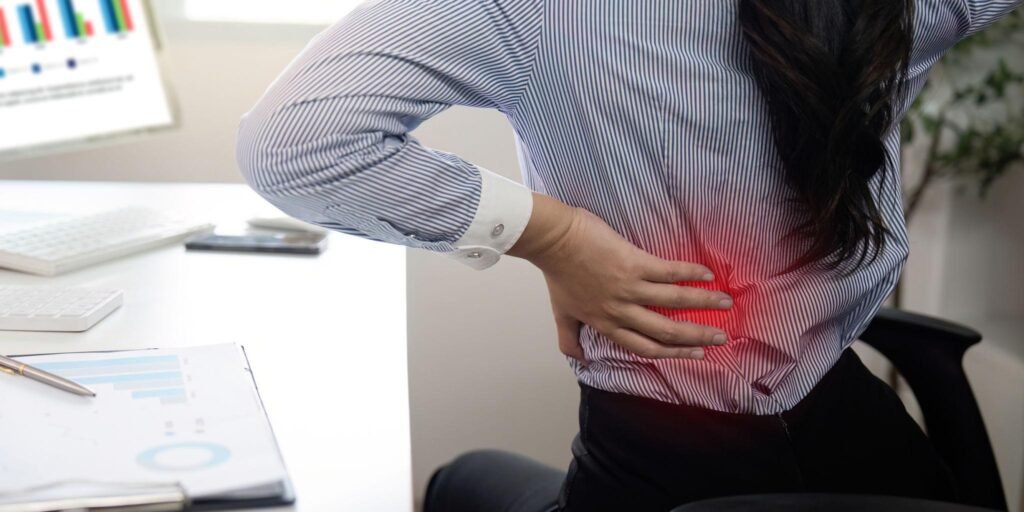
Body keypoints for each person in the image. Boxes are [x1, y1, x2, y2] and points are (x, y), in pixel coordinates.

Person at [237, 0, 1022, 510]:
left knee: (457, 484)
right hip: (871, 455)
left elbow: (292, 143)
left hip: (657, 471)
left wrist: (555, 235)